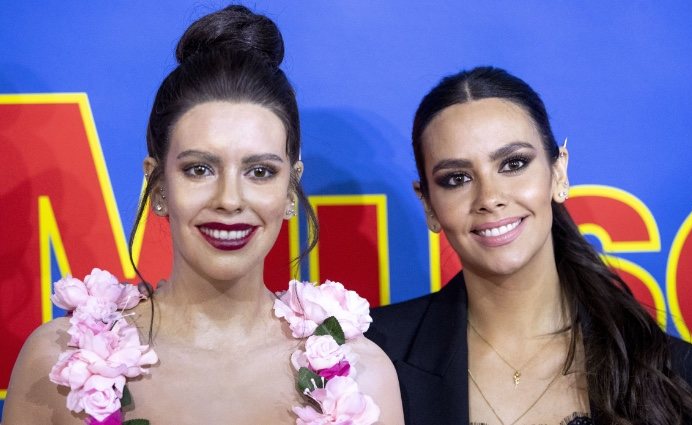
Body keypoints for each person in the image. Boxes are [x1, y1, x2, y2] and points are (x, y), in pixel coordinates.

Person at [3, 5, 403, 424]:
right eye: (199, 169)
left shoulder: (362, 378)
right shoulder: (59, 365)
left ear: (290, 189)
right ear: (157, 184)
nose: (229, 199)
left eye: (260, 171)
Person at [366, 66, 692, 425]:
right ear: (428, 203)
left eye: (513, 164)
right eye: (457, 178)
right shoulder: (371, 355)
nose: (489, 198)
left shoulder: (674, 372)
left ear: (558, 173)